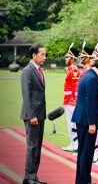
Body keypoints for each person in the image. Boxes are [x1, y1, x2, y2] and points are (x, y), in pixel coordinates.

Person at [71, 58, 98, 184]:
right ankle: (84, 181)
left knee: (83, 152)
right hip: (87, 121)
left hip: (82, 118)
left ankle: (82, 179)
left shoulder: (88, 74)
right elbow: (90, 101)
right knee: (86, 152)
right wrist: (91, 123)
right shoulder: (92, 78)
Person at [21, 44, 47, 184]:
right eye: (42, 54)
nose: (44, 57)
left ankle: (34, 176)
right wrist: (32, 116)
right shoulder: (27, 70)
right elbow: (26, 94)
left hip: (40, 114)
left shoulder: (38, 70)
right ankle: (29, 177)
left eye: (44, 54)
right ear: (34, 55)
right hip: (32, 115)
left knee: (37, 146)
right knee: (32, 146)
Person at [62, 46, 81, 152]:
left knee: (72, 124)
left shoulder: (73, 70)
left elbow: (75, 87)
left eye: (67, 57)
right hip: (68, 100)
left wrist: (73, 100)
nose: (65, 59)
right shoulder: (70, 69)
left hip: (71, 101)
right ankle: (73, 143)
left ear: (73, 58)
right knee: (70, 123)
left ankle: (75, 144)